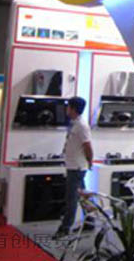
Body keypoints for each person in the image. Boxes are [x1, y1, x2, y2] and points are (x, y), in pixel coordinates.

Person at [54, 96, 94, 238]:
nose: (66, 109)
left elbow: (88, 146)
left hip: (77, 167)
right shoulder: (75, 123)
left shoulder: (82, 126)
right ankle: (90, 221)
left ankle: (65, 228)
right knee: (83, 195)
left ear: (73, 109)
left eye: (68, 106)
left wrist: (90, 161)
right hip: (74, 165)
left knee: (71, 198)